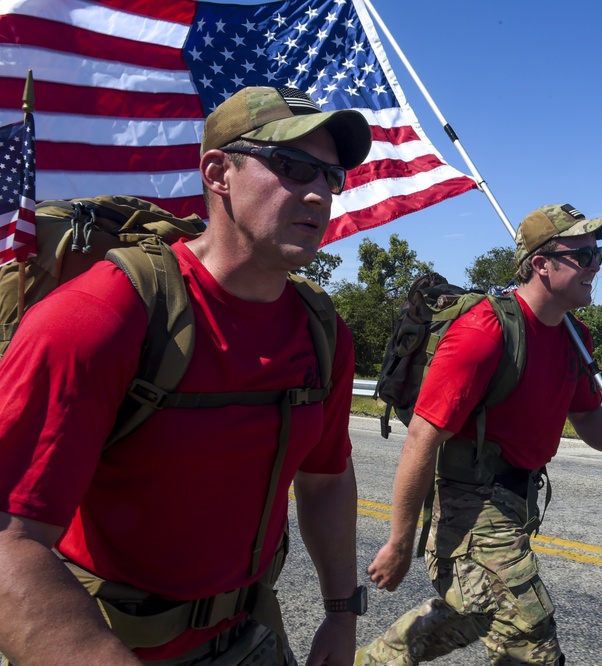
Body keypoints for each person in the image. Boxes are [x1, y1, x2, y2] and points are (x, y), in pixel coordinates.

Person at [0, 86, 373, 666]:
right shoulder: (100, 316)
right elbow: (9, 542)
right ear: (219, 172)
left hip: (249, 634)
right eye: (295, 167)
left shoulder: (322, 332)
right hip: (111, 642)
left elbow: (324, 479)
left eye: (332, 177)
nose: (319, 193)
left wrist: (341, 612)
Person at [357, 204, 602, 665]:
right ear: (542, 264)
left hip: (519, 499)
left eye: (597, 254)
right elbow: (422, 439)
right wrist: (400, 545)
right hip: (471, 500)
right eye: (583, 256)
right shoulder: (483, 332)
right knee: (529, 630)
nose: (596, 266)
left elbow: (588, 417)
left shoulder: (575, 337)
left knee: (474, 610)